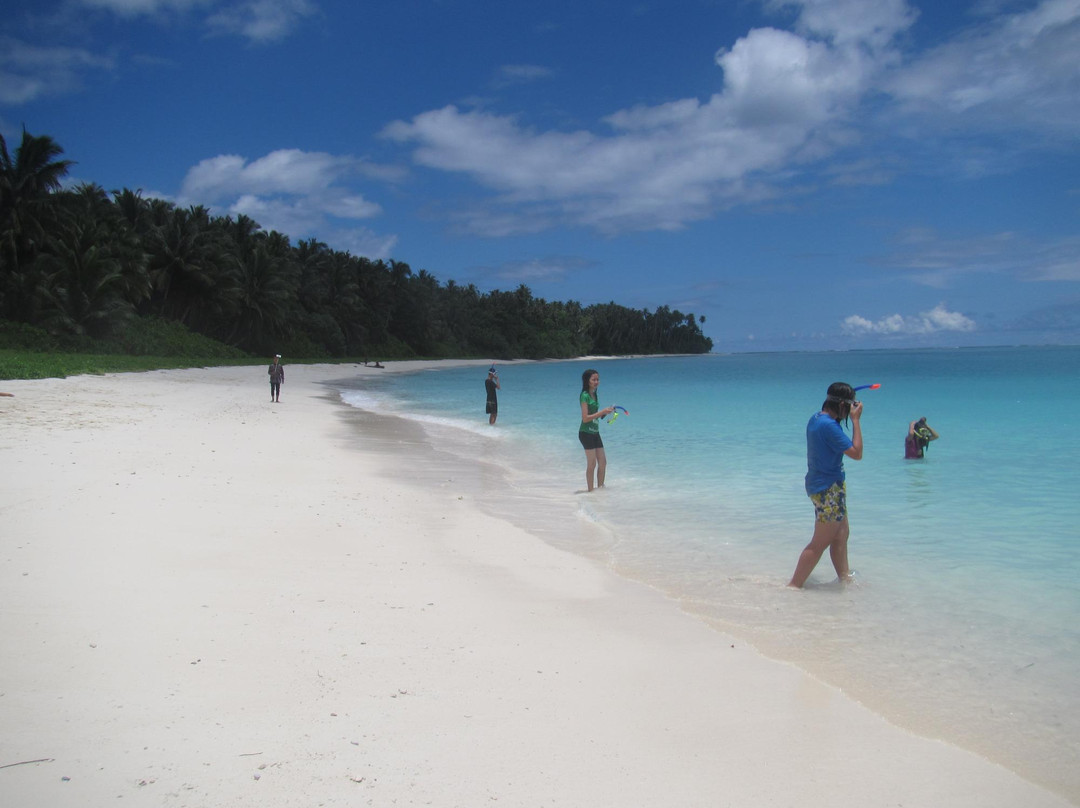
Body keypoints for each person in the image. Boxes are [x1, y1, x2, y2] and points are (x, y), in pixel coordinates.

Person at [788, 382, 864, 588]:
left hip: (826, 485)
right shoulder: (829, 426)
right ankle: (794, 586)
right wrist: (856, 421)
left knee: (841, 534)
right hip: (828, 488)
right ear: (842, 405)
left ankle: (844, 579)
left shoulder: (816, 418)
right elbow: (857, 453)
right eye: (849, 406)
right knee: (819, 542)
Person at [578, 368, 615, 492]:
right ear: (587, 381)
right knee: (592, 464)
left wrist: (606, 412)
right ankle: (590, 492)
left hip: (595, 432)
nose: (596, 382)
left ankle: (600, 491)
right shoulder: (584, 396)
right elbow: (585, 418)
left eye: (598, 379)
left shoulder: (595, 394)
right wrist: (601, 411)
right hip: (585, 433)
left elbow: (595, 415)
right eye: (593, 379)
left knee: (603, 462)